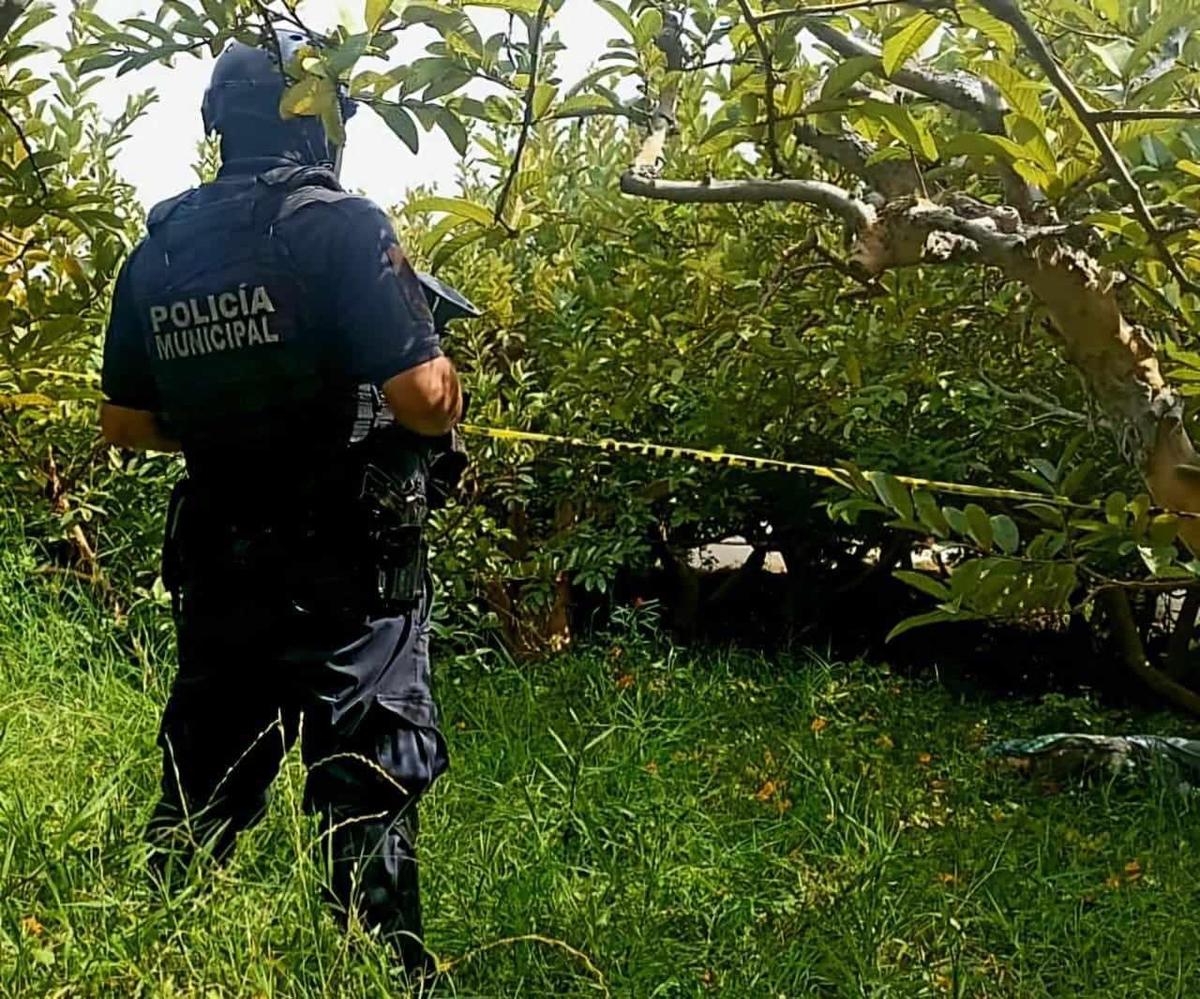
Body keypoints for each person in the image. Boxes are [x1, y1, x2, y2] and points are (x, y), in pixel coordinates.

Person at [98, 26, 470, 975]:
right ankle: (379, 973)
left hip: (223, 559)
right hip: (351, 567)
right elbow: (423, 403)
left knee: (203, 777)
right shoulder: (343, 225)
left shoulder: (160, 251)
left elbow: (125, 421)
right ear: (320, 119)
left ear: (218, 123)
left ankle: (140, 954)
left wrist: (231, 416)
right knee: (369, 774)